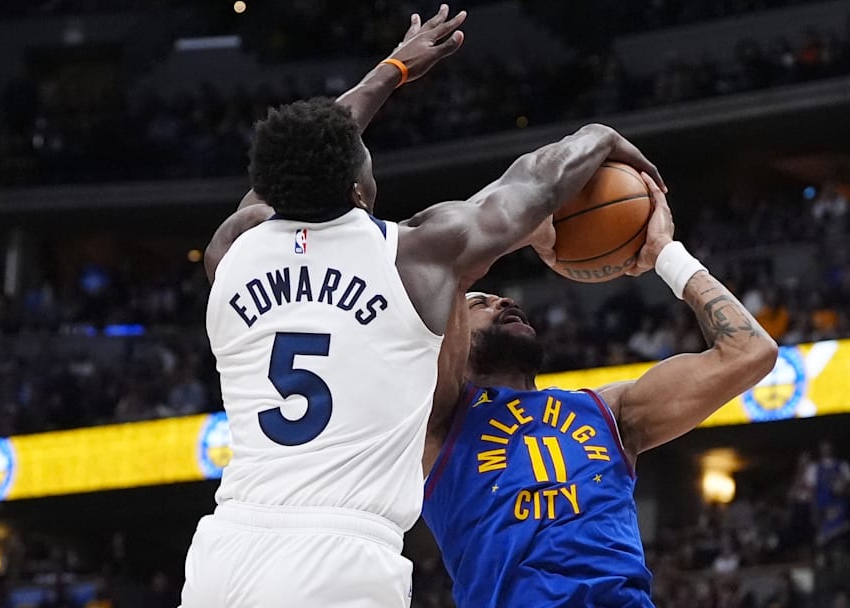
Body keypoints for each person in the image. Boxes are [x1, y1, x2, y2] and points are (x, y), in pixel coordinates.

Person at [180, 6, 665, 607]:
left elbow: (302, 154)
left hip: (226, 548)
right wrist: (600, 136)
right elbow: (535, 182)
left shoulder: (232, 248)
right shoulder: (417, 255)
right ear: (359, 190)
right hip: (339, 555)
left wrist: (389, 71)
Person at [420, 174, 778, 607]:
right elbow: (444, 260)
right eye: (483, 303)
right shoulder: (438, 419)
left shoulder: (610, 410)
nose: (505, 302)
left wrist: (665, 254)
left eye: (505, 300)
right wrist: (522, 229)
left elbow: (750, 351)